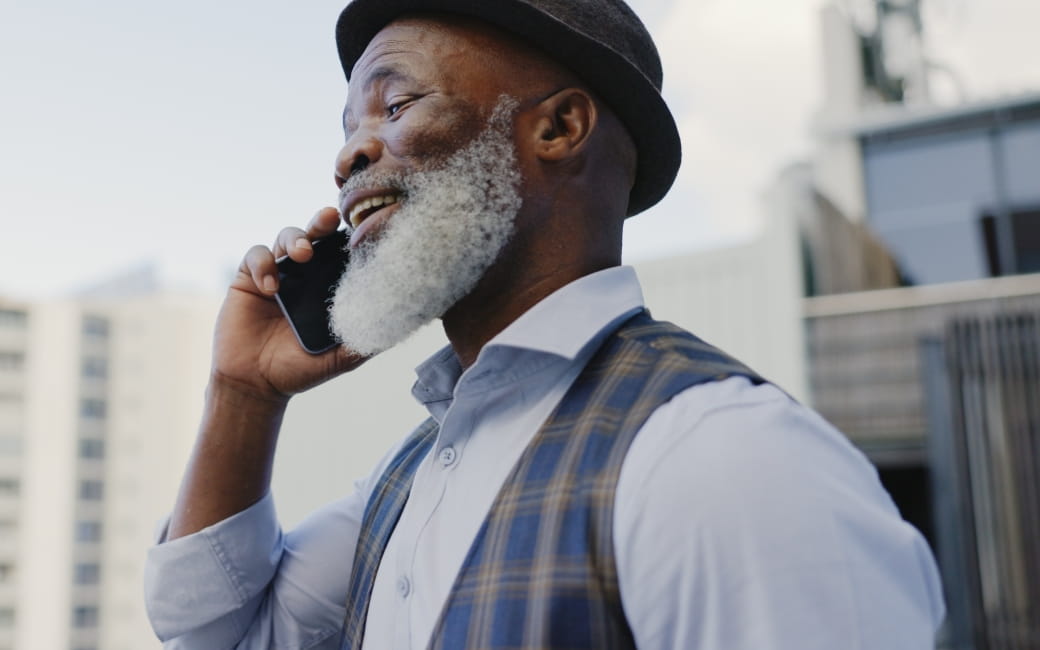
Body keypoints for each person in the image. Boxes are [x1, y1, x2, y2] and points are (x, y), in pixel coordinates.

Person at [145, 0, 946, 648]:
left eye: (395, 104)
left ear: (558, 129)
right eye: (348, 127)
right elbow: (213, 629)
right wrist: (243, 393)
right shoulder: (417, 472)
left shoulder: (724, 457)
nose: (350, 155)